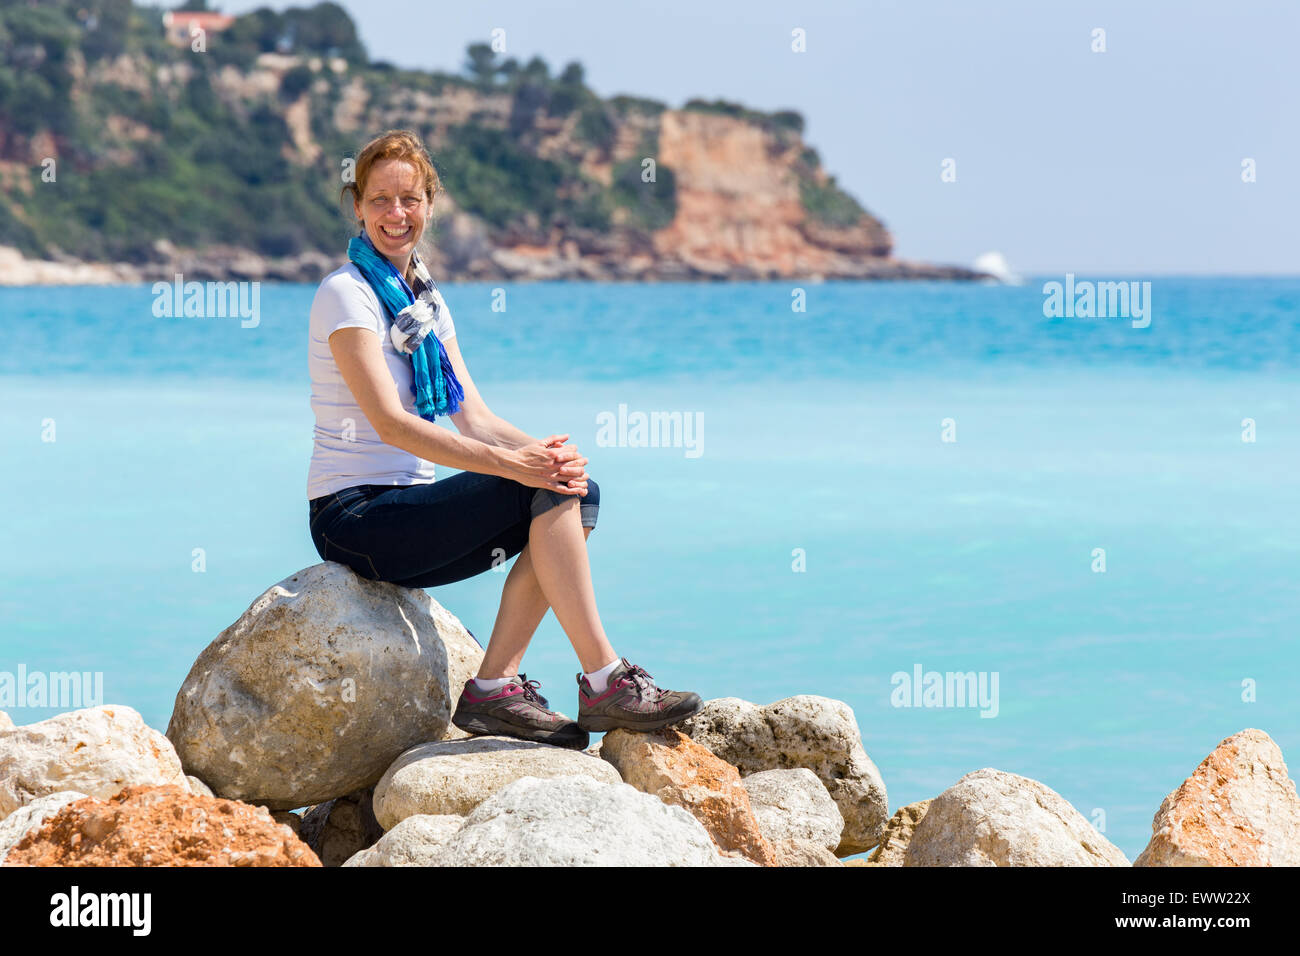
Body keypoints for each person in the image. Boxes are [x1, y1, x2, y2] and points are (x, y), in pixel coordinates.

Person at [306, 129, 702, 751]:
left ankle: (494, 687)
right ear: (357, 205)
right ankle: (604, 678)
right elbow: (391, 425)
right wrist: (515, 469)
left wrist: (546, 456)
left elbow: (474, 417)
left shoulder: (424, 301)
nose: (395, 214)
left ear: (430, 205)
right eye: (379, 199)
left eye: (409, 199)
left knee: (576, 489)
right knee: (532, 491)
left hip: (409, 515)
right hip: (353, 518)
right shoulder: (345, 295)